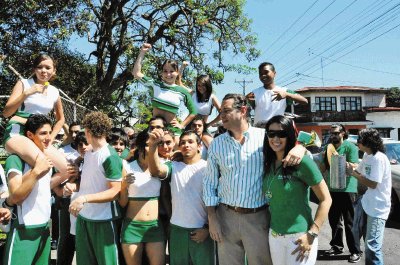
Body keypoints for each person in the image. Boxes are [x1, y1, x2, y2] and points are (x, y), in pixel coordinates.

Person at [203, 93, 306, 265]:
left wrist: (301, 147)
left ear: (243, 110)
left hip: (258, 218)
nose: (222, 116)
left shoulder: (265, 137)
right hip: (225, 217)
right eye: (221, 111)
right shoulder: (217, 143)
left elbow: (304, 142)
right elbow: (209, 183)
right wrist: (212, 218)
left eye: (226, 111)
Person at [263, 115, 332, 264]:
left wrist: (312, 234)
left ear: (289, 135)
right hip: (274, 236)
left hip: (300, 237)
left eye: (281, 134)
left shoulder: (303, 162)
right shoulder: (267, 163)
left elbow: (326, 199)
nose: (275, 138)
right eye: (271, 133)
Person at [2, 114, 69, 265]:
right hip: (23, 230)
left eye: (49, 132)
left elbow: (43, 187)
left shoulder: (46, 160)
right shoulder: (16, 159)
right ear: (30, 135)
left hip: (44, 228)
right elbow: (16, 197)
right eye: (43, 133)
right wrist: (36, 172)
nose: (48, 137)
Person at [149, 129, 214, 265]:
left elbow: (216, 201)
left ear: (199, 146)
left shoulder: (209, 168)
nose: (186, 145)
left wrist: (207, 228)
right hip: (177, 230)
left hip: (201, 231)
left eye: (190, 142)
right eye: (183, 142)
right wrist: (153, 146)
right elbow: (156, 171)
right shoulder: (173, 166)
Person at [68, 111, 122, 265]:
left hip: (103, 220)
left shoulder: (109, 156)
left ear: (88, 131)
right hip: (84, 218)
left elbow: (115, 191)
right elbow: (92, 180)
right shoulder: (90, 152)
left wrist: (84, 198)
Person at [2, 54, 68, 177]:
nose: (44, 71)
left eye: (48, 67)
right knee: (42, 164)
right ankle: (15, 194)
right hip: (19, 132)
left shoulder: (54, 92)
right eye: (40, 67)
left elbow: (61, 119)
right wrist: (27, 93)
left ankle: (51, 193)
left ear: (53, 71)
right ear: (34, 70)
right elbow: (6, 113)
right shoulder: (24, 83)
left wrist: (51, 137)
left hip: (41, 136)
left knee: (68, 170)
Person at [119, 130, 165, 265]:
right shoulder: (127, 166)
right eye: (147, 144)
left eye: (154, 144)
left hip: (154, 227)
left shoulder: (161, 165)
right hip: (132, 227)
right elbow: (122, 203)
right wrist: (123, 186)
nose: (151, 147)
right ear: (139, 147)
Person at [132, 43, 197, 135]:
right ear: (162, 73)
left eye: (172, 71)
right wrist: (142, 52)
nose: (168, 74)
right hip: (154, 131)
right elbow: (136, 73)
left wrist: (182, 125)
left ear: (177, 72)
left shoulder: (182, 92)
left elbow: (193, 111)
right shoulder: (155, 85)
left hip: (173, 133)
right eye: (165, 71)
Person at [319, 124, 362, 262]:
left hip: (348, 189)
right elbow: (323, 168)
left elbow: (354, 165)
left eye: (336, 133)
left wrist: (339, 159)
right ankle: (337, 246)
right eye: (331, 133)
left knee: (350, 222)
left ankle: (355, 251)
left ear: (343, 133)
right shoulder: (328, 148)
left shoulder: (351, 147)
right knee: (334, 220)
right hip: (332, 189)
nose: (333, 135)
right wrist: (322, 158)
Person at [351, 129, 391, 265]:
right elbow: (358, 170)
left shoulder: (378, 158)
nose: (357, 143)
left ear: (367, 142)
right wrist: (350, 168)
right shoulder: (368, 156)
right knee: (358, 234)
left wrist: (354, 174)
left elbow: (373, 184)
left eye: (359, 140)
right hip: (367, 202)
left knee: (372, 247)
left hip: (378, 207)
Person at [57, 131, 91, 265]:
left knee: (85, 243)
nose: (83, 147)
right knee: (67, 238)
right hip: (70, 204)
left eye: (86, 143)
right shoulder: (75, 163)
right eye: (80, 145)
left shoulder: (99, 160)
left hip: (90, 206)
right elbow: (63, 184)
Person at [246, 62, 307, 127]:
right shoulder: (254, 93)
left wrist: (287, 94)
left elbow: (305, 101)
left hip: (277, 131)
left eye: (266, 72)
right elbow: (244, 108)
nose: (263, 75)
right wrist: (247, 101)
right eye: (260, 74)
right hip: (259, 132)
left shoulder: (284, 91)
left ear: (274, 73)